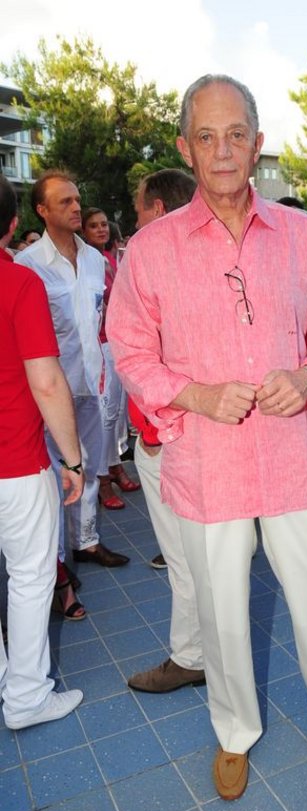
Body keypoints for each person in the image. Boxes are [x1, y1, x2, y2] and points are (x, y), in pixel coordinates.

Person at [108, 74, 307, 801]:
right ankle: (235, 730)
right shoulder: (151, 249)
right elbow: (131, 351)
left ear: (257, 142)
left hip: (293, 453)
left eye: (236, 134)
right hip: (209, 463)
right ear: (186, 148)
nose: (222, 150)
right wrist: (196, 394)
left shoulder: (300, 235)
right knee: (221, 611)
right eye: (206, 136)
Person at [0, 174, 84, 729]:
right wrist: (72, 459)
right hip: (15, 460)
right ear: (13, 224)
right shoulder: (19, 283)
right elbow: (47, 381)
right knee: (30, 578)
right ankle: (27, 697)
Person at [15, 171, 130, 569]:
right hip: (49, 388)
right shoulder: (28, 264)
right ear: (42, 210)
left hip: (92, 381)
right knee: (54, 474)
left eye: (77, 199)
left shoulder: (95, 261)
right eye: (65, 202)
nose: (76, 207)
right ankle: (58, 559)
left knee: (91, 466)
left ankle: (87, 541)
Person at [125, 167, 207, 694]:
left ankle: (192, 655)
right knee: (200, 556)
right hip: (194, 430)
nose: (134, 220)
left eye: (138, 209)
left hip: (170, 435)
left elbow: (148, 359)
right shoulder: (205, 258)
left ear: (157, 209)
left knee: (184, 558)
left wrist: (152, 436)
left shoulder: (155, 262)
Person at [82, 206, 140, 510]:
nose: (101, 229)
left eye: (104, 224)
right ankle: (102, 477)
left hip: (118, 341)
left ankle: (114, 466)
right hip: (100, 343)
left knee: (116, 413)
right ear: (84, 231)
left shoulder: (112, 258)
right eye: (94, 225)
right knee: (105, 415)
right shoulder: (85, 262)